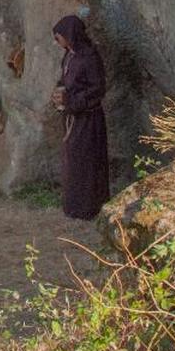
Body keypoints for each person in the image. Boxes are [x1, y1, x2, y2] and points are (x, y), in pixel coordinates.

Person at [51, 15, 110, 220]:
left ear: (70, 35)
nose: (57, 41)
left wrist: (71, 100)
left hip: (88, 120)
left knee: (87, 162)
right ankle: (73, 205)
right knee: (72, 161)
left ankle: (89, 208)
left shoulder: (90, 58)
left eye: (59, 37)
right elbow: (65, 80)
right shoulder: (69, 56)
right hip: (73, 118)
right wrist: (59, 94)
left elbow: (97, 89)